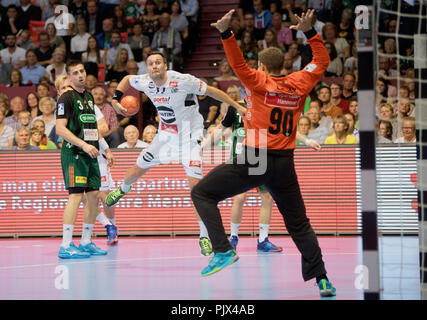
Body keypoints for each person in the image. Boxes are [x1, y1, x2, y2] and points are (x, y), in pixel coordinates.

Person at [191, 9, 336, 297]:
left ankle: (222, 250)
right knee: (299, 223)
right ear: (284, 64)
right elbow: (321, 61)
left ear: (263, 67)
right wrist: (310, 33)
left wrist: (226, 33)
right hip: (284, 163)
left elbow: (238, 65)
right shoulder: (300, 83)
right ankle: (322, 279)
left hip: (256, 158)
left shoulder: (259, 83)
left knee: (202, 194)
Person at [105, 50, 247, 256]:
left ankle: (204, 237)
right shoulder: (145, 81)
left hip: (190, 137)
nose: (154, 66)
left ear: (165, 65)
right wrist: (117, 100)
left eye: (158, 63)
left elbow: (213, 91)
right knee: (136, 169)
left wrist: (236, 106)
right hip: (165, 136)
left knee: (196, 191)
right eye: (151, 63)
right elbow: (126, 79)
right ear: (148, 68)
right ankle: (123, 189)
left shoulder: (183, 80)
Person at [55, 60, 113, 259]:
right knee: (75, 196)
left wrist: (102, 147)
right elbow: (60, 129)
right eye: (75, 73)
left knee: (93, 197)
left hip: (91, 154)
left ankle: (86, 242)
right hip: (75, 154)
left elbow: (91, 128)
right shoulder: (66, 97)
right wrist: (84, 145)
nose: (80, 75)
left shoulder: (88, 97)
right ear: (69, 77)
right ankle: (66, 245)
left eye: (82, 71)